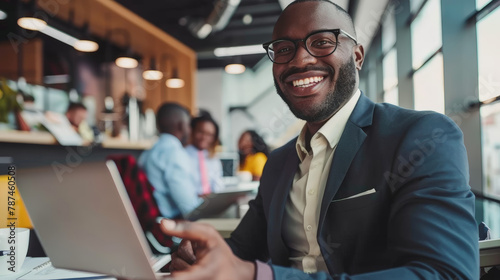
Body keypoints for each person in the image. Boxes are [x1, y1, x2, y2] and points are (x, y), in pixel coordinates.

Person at [161, 1, 479, 279]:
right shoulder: (279, 163)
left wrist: (255, 276)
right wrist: (200, 259)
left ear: (356, 56)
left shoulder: (420, 137)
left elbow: (444, 274)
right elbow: (242, 252)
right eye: (284, 49)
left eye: (322, 42)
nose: (300, 60)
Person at [138, 102, 202, 219]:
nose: (189, 130)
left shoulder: (147, 154)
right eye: (188, 125)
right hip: (173, 226)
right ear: (181, 125)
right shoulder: (174, 153)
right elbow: (189, 208)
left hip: (153, 225)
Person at [185, 115, 224, 194]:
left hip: (212, 203)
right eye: (201, 132)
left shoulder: (213, 159)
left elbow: (218, 186)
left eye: (210, 135)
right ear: (192, 131)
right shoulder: (182, 155)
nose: (204, 137)